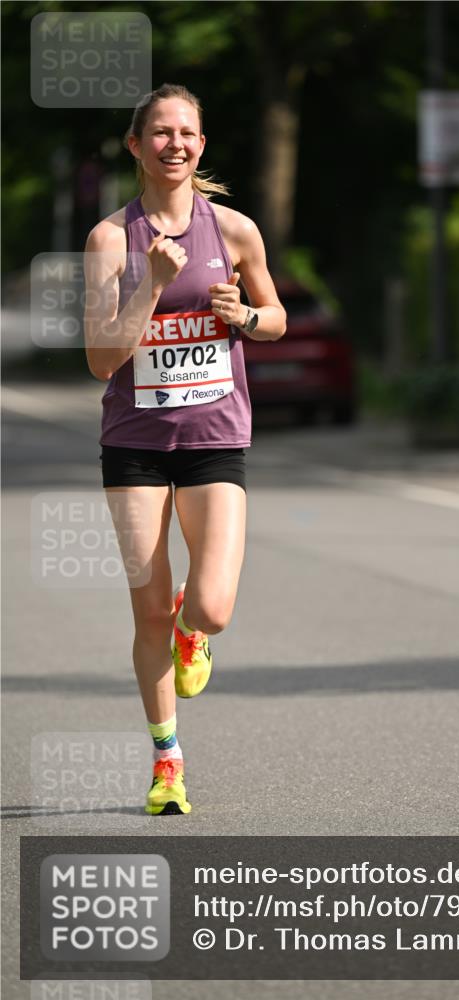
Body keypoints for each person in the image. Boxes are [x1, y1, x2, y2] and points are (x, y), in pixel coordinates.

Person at [83, 83, 286, 815]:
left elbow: (276, 319)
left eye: (188, 132)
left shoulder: (234, 231)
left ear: (202, 145)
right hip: (134, 446)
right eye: (160, 132)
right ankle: (167, 761)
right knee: (145, 618)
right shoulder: (111, 239)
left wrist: (246, 314)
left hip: (213, 437)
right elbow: (102, 360)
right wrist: (153, 286)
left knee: (212, 604)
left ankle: (193, 633)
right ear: (137, 147)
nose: (175, 143)